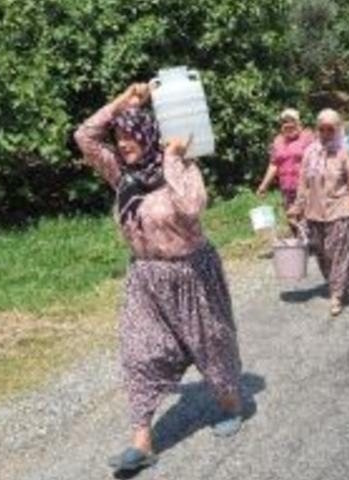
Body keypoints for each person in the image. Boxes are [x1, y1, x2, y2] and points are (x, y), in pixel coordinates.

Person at [74, 83, 244, 474]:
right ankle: (142, 441)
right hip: (146, 277)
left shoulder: (181, 166)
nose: (122, 143)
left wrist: (172, 157)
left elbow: (191, 206)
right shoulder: (122, 176)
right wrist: (124, 101)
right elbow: (84, 135)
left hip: (191, 272)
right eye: (118, 137)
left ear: (148, 136)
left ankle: (231, 402)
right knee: (139, 351)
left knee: (211, 342)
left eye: (129, 134)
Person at [287, 109, 349, 317]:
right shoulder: (310, 153)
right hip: (314, 213)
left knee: (339, 254)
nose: (325, 133)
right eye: (321, 129)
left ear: (338, 129)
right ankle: (336, 283)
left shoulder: (345, 152)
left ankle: (336, 295)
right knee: (323, 255)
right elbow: (303, 184)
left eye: (330, 129)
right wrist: (297, 207)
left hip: (340, 211)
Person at [256, 109, 315, 210]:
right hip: (286, 189)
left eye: (292, 121)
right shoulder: (278, 140)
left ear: (299, 122)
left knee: (307, 221)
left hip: (306, 189)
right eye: (285, 122)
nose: (288, 124)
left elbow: (317, 161)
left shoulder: (308, 137)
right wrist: (264, 185)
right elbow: (274, 164)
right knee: (291, 220)